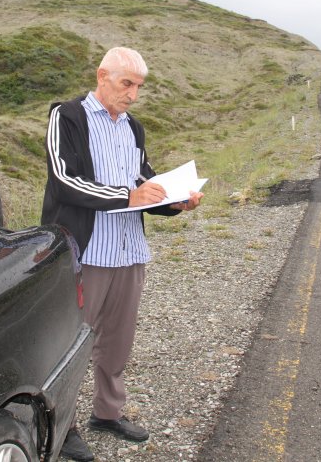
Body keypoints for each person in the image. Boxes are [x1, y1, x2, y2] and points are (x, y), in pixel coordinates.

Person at [42, 47, 203, 461]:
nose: (132, 95)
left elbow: (144, 181)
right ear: (102, 76)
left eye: (138, 87)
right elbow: (64, 181)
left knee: (118, 342)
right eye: (125, 84)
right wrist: (125, 195)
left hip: (129, 251)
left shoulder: (134, 128)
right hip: (87, 251)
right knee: (73, 343)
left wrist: (175, 201)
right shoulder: (69, 116)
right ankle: (63, 426)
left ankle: (107, 414)